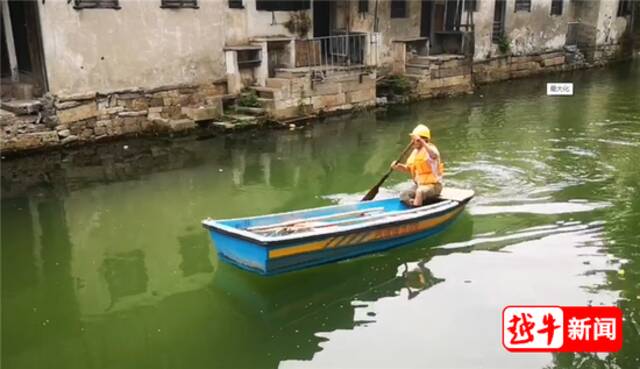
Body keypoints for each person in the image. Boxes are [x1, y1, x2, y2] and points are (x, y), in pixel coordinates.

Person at [391, 124, 444, 207]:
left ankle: (416, 210)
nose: (412, 142)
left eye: (415, 139)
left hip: (434, 186)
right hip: (420, 185)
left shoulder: (431, 149)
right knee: (403, 195)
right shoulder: (415, 152)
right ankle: (414, 204)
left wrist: (422, 141)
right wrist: (398, 166)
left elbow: (434, 155)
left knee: (419, 192)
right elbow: (408, 169)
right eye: (412, 139)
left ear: (424, 140)